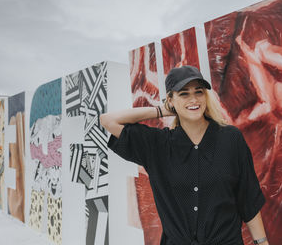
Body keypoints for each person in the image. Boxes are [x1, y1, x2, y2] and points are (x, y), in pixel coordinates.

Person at [100, 65, 268, 245]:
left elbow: (248, 199)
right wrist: (161, 110)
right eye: (184, 94)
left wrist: (262, 242)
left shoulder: (231, 139)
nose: (193, 99)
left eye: (199, 92)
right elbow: (108, 121)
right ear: (170, 99)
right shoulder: (158, 145)